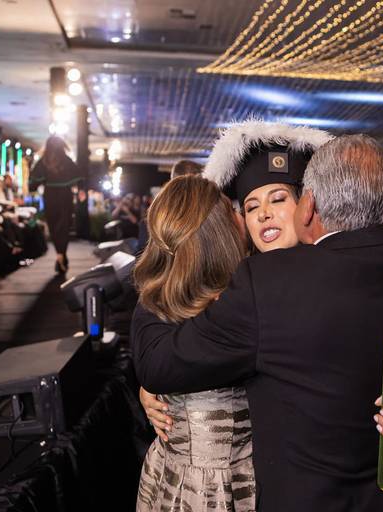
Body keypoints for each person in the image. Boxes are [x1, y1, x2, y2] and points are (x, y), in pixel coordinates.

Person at [132, 134, 383, 511]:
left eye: (278, 199)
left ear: (306, 207)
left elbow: (160, 361)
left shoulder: (264, 286)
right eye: (251, 206)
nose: (264, 213)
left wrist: (151, 285)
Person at [133, 176, 254, 511]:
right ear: (219, 234)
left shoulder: (158, 301)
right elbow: (157, 366)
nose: (243, 217)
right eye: (234, 211)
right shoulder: (241, 309)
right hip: (208, 488)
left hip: (183, 472)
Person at [29, 136, 84, 274]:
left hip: (50, 196)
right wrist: (81, 190)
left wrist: (33, 187)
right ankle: (62, 255)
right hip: (65, 196)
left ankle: (60, 255)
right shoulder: (66, 160)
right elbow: (79, 176)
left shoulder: (44, 161)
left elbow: (33, 183)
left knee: (54, 227)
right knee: (63, 227)